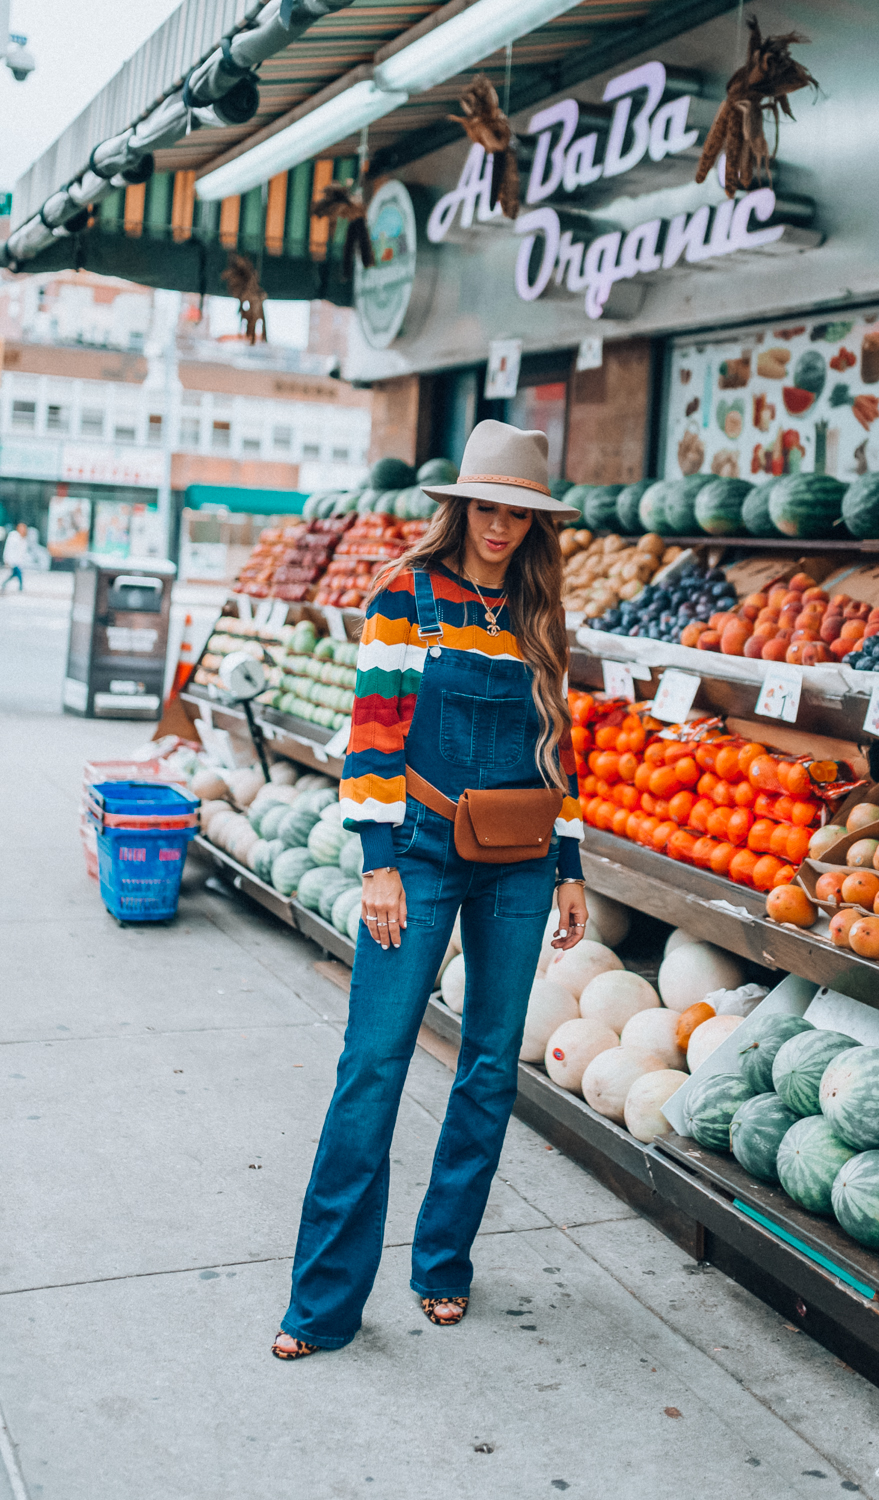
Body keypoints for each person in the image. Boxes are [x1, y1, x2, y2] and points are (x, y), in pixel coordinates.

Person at [273, 421, 589, 1359]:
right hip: (417, 850)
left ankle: (443, 1263)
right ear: (459, 508)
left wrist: (571, 868)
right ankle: (322, 1304)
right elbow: (370, 735)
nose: (499, 526)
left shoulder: (541, 618)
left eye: (517, 514)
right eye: (487, 507)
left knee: (490, 1067)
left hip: (523, 862)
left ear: (536, 525)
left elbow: (560, 753)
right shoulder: (404, 596)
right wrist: (376, 860)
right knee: (372, 1065)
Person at [1, 522, 28, 591]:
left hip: (19, 560)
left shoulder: (23, 538)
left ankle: (5, 583)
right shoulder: (13, 537)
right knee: (18, 573)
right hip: (13, 559)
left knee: (14, 574)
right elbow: (8, 548)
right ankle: (21, 587)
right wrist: (6, 558)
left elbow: (22, 551)